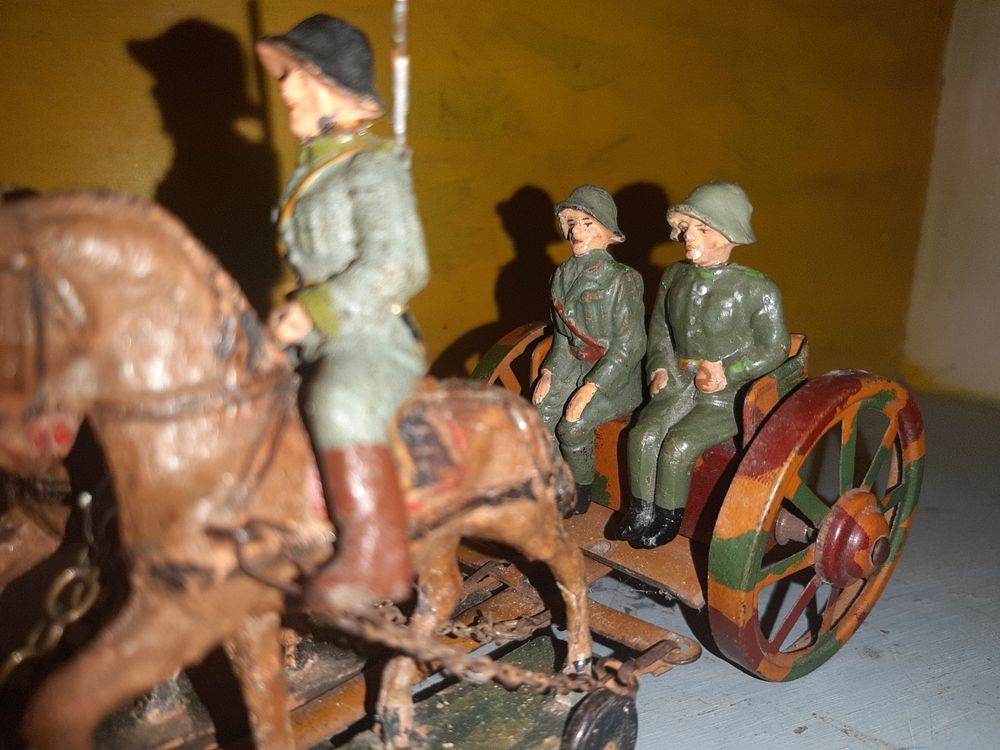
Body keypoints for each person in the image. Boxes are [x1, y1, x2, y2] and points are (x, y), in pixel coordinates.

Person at [256, 15, 428, 612]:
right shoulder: (315, 170)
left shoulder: (372, 166)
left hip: (370, 334)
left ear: (331, 86)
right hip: (313, 334)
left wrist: (313, 310)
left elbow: (400, 266)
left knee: (339, 401)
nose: (284, 88)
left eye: (296, 75)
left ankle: (377, 554)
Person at [622, 182, 790, 547]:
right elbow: (660, 330)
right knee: (642, 434)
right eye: (685, 228)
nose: (688, 237)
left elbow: (776, 348)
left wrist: (729, 372)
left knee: (679, 445)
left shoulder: (757, 288)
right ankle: (639, 512)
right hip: (678, 382)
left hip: (727, 396)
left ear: (730, 234)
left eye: (702, 229)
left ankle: (667, 519)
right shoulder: (674, 276)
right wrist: (659, 367)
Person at [533, 185, 645, 515]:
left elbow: (631, 344)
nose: (576, 232)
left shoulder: (621, 279)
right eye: (571, 223)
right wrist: (549, 373)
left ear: (608, 232)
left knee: (573, 424)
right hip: (572, 366)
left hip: (615, 378)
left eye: (587, 223)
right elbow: (563, 337)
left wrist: (592, 387)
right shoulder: (561, 275)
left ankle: (580, 492)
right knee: (540, 414)